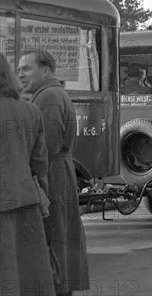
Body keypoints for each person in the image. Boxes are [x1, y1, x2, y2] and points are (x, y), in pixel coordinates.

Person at [17, 50, 89, 296]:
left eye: (27, 68)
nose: (20, 74)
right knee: (60, 235)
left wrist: (36, 182)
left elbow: (47, 144)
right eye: (18, 69)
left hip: (52, 173)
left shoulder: (47, 96)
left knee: (51, 235)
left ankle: (57, 287)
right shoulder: (52, 93)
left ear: (46, 70)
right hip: (58, 171)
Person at [1, 53, 56, 296]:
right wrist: (40, 196)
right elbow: (39, 165)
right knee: (24, 275)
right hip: (25, 203)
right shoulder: (30, 111)